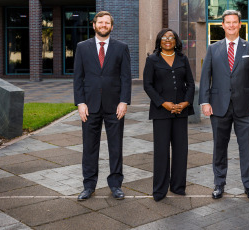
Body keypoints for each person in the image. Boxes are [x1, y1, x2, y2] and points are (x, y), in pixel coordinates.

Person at [199, 10, 249, 200]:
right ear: (222, 25)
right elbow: (206, 77)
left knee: (246, 148)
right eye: (227, 22)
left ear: (240, 25)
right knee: (219, 148)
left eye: (234, 22)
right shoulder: (213, 49)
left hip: (246, 108)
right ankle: (219, 184)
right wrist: (205, 102)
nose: (231, 25)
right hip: (219, 106)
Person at [73, 11, 131, 201]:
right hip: (89, 106)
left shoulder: (121, 48)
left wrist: (124, 101)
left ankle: (115, 184)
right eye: (100, 22)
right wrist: (80, 103)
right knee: (89, 147)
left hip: (115, 106)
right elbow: (78, 78)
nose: (104, 25)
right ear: (94, 25)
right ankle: (89, 185)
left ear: (112, 27)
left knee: (116, 147)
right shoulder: (82, 48)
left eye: (107, 23)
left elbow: (125, 78)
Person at [143, 28, 195, 202]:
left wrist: (186, 103)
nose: (167, 40)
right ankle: (159, 190)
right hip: (161, 112)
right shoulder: (152, 60)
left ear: (175, 41)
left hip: (181, 111)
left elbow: (190, 84)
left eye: (171, 38)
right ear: (159, 41)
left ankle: (178, 187)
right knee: (161, 151)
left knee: (181, 150)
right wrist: (163, 103)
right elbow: (148, 85)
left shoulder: (183, 58)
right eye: (164, 37)